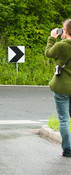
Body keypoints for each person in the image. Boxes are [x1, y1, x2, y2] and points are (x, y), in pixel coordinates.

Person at [45, 19, 71, 157]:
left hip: (61, 88)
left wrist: (52, 37)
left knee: (64, 120)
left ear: (65, 32)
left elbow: (48, 53)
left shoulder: (61, 46)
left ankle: (68, 150)